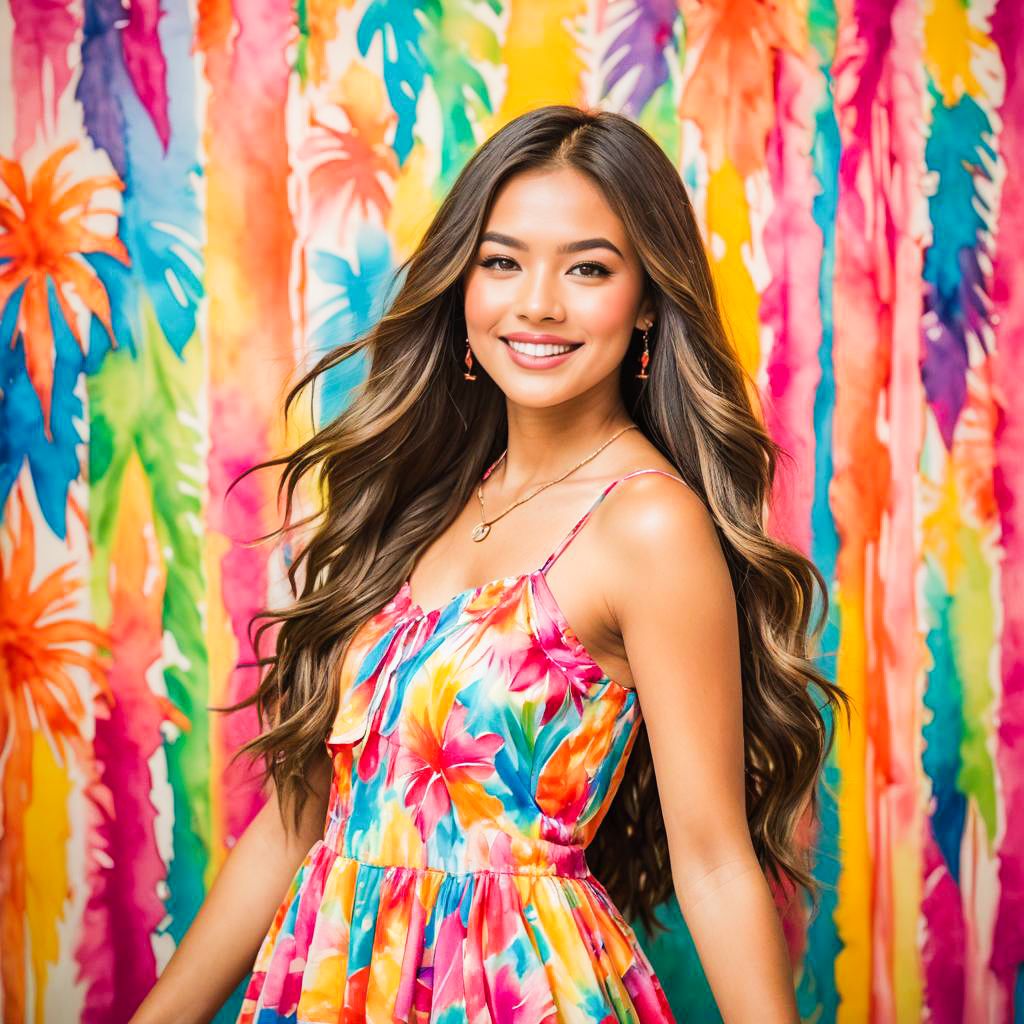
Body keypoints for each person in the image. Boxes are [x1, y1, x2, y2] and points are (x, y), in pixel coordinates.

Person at [130, 104, 849, 1024]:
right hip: (334, 992)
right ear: (461, 283)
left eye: (588, 268)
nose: (537, 302)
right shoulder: (425, 496)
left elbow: (712, 865)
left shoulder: (648, 526)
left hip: (511, 996)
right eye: (501, 261)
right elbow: (299, 822)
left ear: (645, 306)